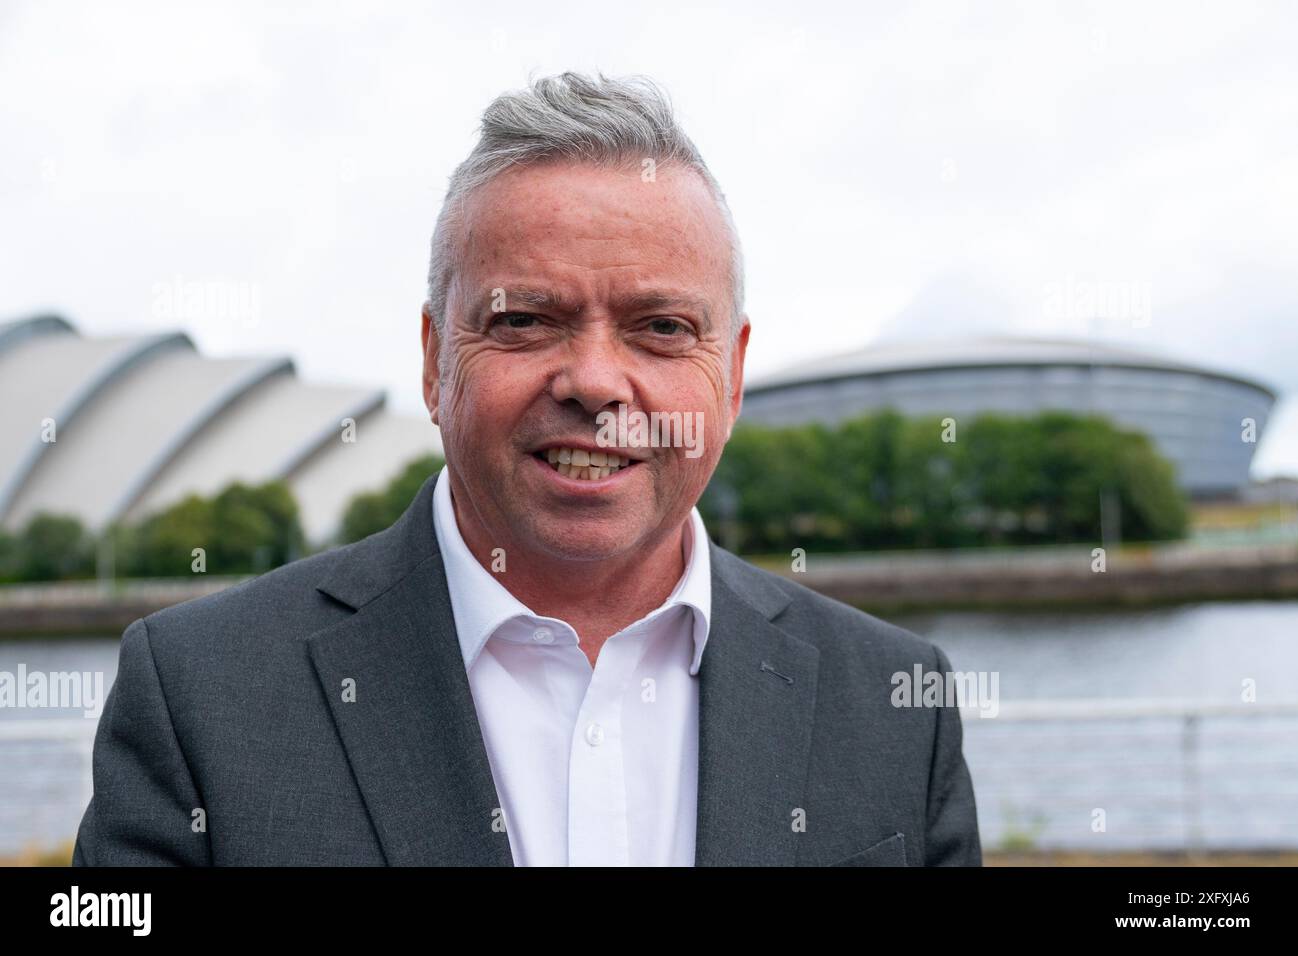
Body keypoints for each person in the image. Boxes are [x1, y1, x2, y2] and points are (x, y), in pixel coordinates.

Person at [73, 72, 981, 866]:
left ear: (733, 376)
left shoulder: (898, 704)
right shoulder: (202, 695)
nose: (592, 381)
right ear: (435, 362)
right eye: (523, 321)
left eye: (661, 327)